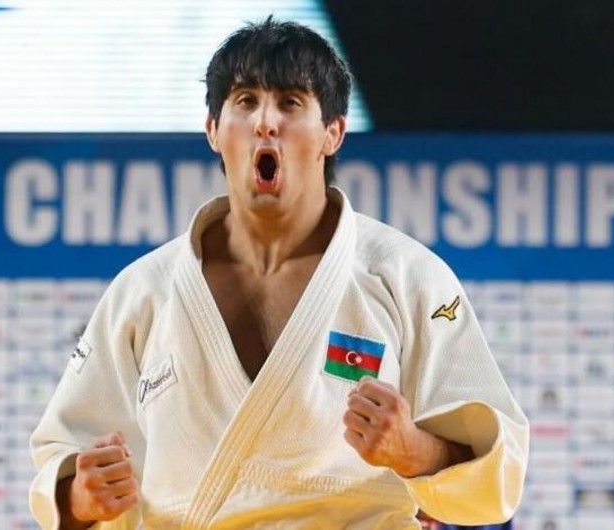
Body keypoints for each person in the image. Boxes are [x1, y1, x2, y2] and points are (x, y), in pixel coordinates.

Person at [29, 17, 529, 529]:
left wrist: (414, 450)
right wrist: (79, 499)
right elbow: (64, 452)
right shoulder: (142, 292)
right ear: (213, 130)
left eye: (290, 102)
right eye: (245, 101)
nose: (266, 122)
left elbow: (500, 475)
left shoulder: (407, 277)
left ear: (333, 133)